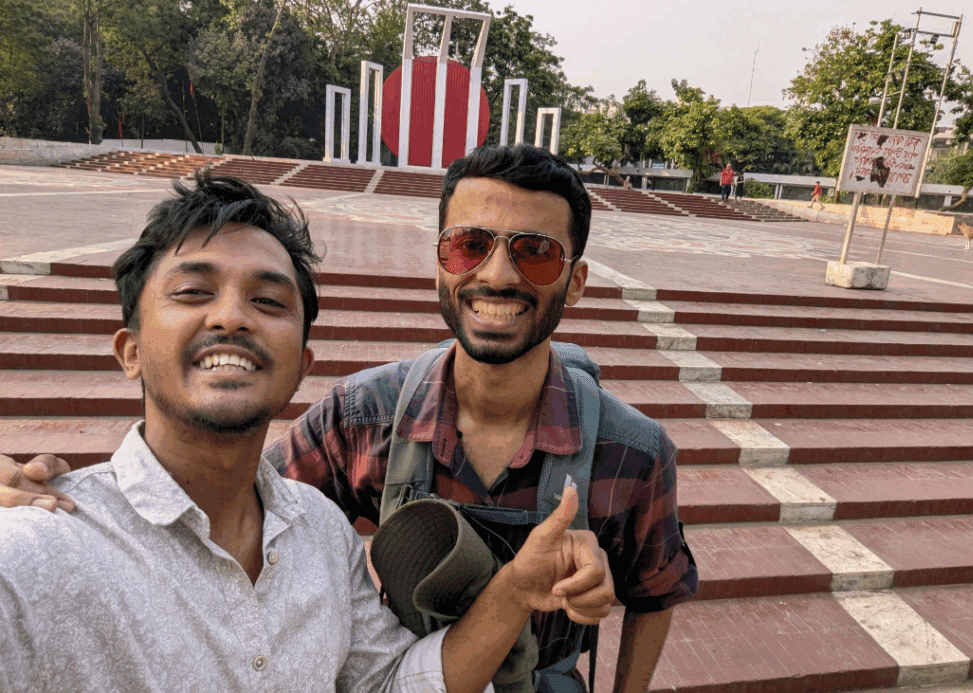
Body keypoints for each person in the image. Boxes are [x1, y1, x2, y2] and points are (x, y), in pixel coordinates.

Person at [1, 145, 697, 693]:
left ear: (576, 281)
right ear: (440, 264)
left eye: (535, 251)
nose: (497, 274)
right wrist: (43, 497)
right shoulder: (362, 417)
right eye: (469, 245)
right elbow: (231, 491)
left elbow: (654, 593)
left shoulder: (634, 450)